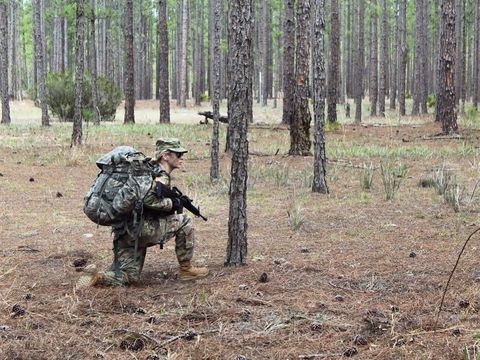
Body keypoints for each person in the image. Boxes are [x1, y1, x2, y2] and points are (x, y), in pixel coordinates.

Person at [76, 138, 209, 289]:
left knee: (130, 275)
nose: (181, 158)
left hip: (124, 230)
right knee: (184, 220)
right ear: (165, 155)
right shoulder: (160, 175)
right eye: (178, 155)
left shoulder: (144, 170)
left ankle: (97, 277)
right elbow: (148, 201)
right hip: (141, 230)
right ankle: (186, 269)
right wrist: (172, 204)